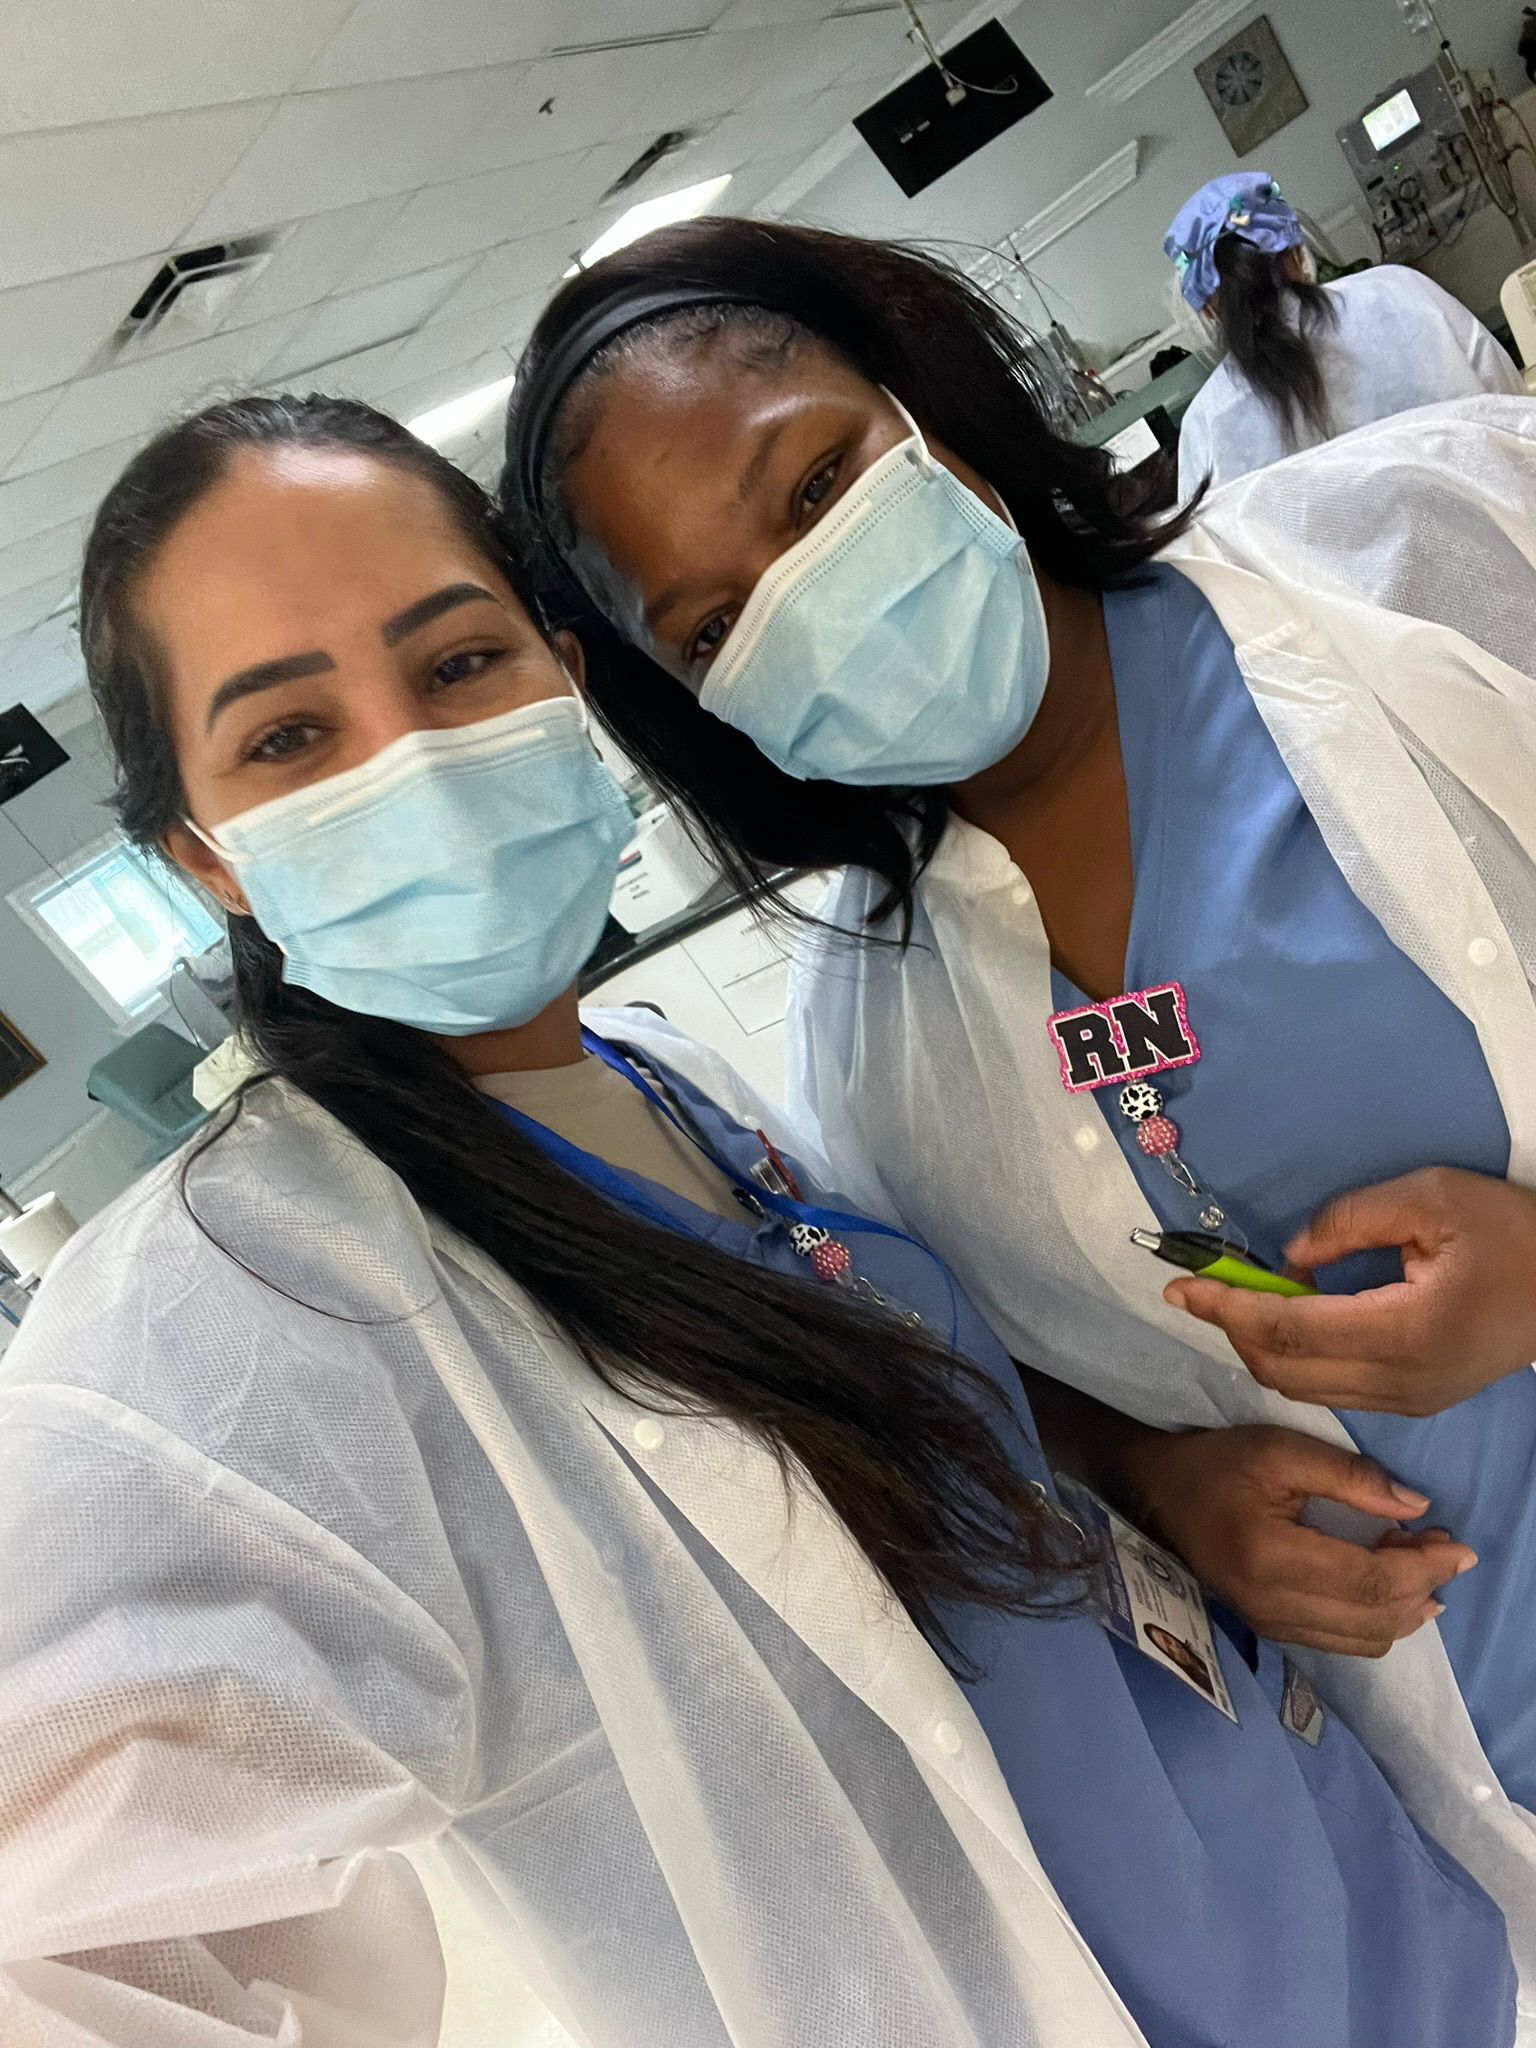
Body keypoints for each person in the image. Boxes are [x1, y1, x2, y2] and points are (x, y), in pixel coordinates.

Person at [0, 397, 1520, 2048]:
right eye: (292, 736)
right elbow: (56, 1945)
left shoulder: (669, 1086)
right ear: (206, 860)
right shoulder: (253, 1301)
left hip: (1376, 1922)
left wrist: (1146, 1474)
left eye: (457, 664)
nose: (411, 760)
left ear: (569, 685)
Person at [500, 215, 1536, 1846]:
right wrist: (1159, 1476)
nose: (808, 609)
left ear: (921, 401)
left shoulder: (1443, 545)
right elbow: (991, 1375)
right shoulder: (871, 1043)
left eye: (816, 486)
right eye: (711, 629)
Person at [1162, 171, 1524, 492]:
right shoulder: (1400, 292)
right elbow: (1512, 411)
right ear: (1295, 249)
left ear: (1205, 307)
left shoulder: (1208, 424)